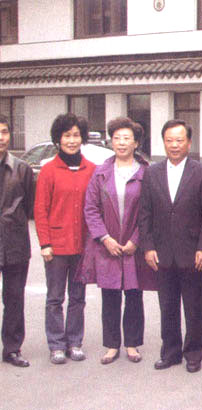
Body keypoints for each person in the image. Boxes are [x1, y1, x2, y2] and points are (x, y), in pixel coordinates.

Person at [76, 117, 158, 365]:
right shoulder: (100, 172)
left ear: (136, 143)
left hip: (134, 245)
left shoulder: (147, 173)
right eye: (117, 138)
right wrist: (104, 238)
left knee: (134, 295)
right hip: (107, 244)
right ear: (111, 142)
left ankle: (132, 344)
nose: (121, 143)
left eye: (126, 138)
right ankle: (112, 345)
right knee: (110, 296)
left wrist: (136, 240)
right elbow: (90, 208)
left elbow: (152, 210)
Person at [138, 119, 202, 373]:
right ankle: (170, 352)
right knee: (167, 306)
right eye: (169, 140)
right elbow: (145, 213)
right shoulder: (152, 172)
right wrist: (148, 247)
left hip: (193, 252)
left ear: (189, 143)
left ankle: (194, 353)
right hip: (162, 252)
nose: (174, 145)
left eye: (179, 140)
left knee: (194, 307)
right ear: (163, 142)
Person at [34, 113, 96, 364]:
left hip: (82, 245)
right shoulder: (48, 170)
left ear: (83, 138)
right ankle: (56, 344)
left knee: (78, 297)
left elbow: (95, 208)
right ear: (58, 139)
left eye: (76, 135)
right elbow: (40, 210)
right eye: (67, 135)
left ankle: (74, 342)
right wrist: (45, 243)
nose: (72, 140)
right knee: (55, 298)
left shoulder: (92, 170)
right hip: (56, 246)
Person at [0, 115, 34, 367]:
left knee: (14, 298)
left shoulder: (22, 169)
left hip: (15, 243)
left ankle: (12, 348)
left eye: (4, 132)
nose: (0, 137)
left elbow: (29, 206)